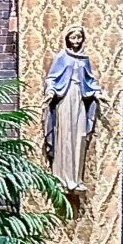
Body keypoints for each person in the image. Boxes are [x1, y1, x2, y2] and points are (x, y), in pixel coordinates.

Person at [44, 25, 103, 194]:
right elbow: (52, 79)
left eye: (79, 37)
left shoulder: (84, 59)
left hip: (79, 98)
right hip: (65, 99)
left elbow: (90, 81)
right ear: (67, 39)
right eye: (73, 38)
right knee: (65, 137)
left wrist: (97, 93)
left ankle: (76, 179)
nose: (76, 41)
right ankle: (62, 178)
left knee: (79, 137)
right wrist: (50, 92)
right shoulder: (62, 56)